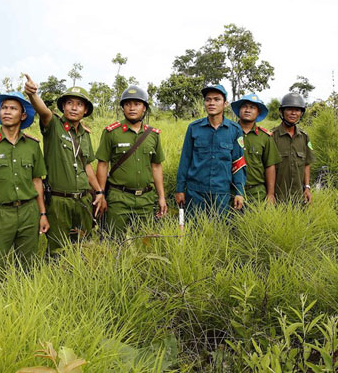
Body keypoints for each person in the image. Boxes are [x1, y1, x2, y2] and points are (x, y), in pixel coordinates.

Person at [24, 75, 105, 254]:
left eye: (79, 104)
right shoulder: (53, 125)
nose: (74, 107)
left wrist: (99, 191)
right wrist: (33, 95)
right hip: (59, 201)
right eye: (69, 103)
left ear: (85, 110)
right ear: (63, 106)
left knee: (84, 246)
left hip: (83, 200)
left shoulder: (85, 135)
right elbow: (44, 111)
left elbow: (87, 166)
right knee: (58, 250)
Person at [0, 91, 49, 276]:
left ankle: (25, 303)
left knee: (27, 266)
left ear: (23, 115)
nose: (7, 112)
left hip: (28, 212)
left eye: (13, 108)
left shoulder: (32, 145)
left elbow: (37, 181)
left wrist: (42, 213)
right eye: (4, 108)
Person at [95, 85, 167, 235]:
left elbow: (156, 167)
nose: (132, 108)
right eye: (127, 104)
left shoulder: (153, 135)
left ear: (144, 108)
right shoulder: (111, 132)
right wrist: (100, 194)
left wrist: (161, 197)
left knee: (144, 242)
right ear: (123, 108)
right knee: (113, 241)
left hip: (146, 199)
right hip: (118, 198)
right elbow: (102, 165)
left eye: (137, 104)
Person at [175, 84, 246, 214]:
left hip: (222, 193)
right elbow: (185, 160)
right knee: (195, 231)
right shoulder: (194, 128)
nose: (211, 103)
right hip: (195, 193)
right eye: (208, 99)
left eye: (216, 99)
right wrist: (180, 189)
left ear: (225, 104)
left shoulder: (235, 130)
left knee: (220, 230)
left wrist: (239, 192)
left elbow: (238, 163)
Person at [230, 93, 281, 204]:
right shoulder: (228, 132)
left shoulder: (265, 137)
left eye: (252, 107)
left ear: (258, 112)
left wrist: (271, 194)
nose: (248, 110)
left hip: (257, 192)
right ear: (239, 110)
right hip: (231, 191)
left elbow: (270, 166)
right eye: (244, 106)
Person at [272, 92, 315, 203]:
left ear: (301, 113)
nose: (293, 113)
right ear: (282, 111)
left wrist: (307, 188)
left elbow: (306, 164)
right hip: (277, 197)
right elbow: (267, 167)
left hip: (298, 197)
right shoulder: (272, 136)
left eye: (297, 110)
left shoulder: (304, 137)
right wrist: (270, 194)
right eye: (289, 109)